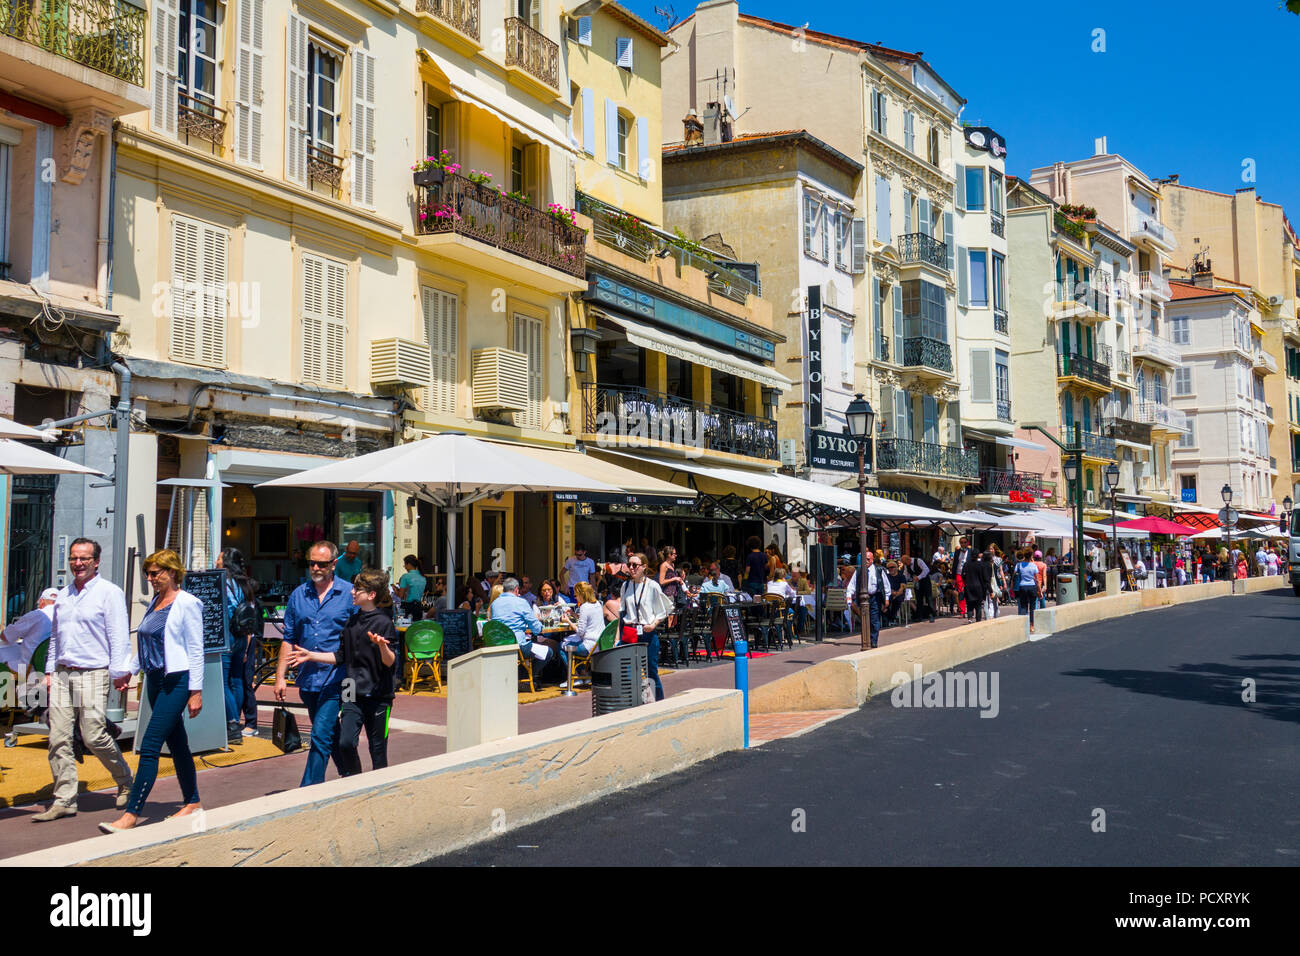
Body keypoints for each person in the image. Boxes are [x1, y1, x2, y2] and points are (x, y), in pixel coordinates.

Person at [99, 550, 205, 832]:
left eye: (155, 573)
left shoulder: (188, 603)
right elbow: (147, 644)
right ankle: (192, 801)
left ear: (171, 572)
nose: (150, 578)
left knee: (149, 745)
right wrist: (129, 670)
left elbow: (196, 651)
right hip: (155, 679)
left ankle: (132, 814)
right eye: (148, 573)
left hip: (177, 680)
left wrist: (196, 691)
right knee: (178, 744)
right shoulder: (155, 602)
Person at [34, 538, 134, 823]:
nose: (78, 563)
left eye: (84, 559)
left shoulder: (108, 593)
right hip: (63, 673)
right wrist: (51, 672)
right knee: (58, 738)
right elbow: (56, 637)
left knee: (93, 736)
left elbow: (118, 636)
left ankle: (125, 780)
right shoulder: (63, 595)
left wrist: (119, 673)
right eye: (74, 558)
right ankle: (65, 798)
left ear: (96, 561)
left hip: (93, 673)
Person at [288, 569, 397, 776]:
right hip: (350, 689)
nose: (352, 592)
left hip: (379, 694)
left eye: (357, 589)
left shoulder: (384, 622)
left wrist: (382, 646)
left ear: (371, 595)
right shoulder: (351, 622)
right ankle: (355, 782)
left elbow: (390, 662)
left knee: (378, 750)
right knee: (345, 742)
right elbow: (340, 656)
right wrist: (311, 655)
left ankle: (381, 788)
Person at [276, 540, 354, 788]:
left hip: (339, 677)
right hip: (308, 678)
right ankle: (351, 772)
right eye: (312, 563)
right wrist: (280, 677)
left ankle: (309, 789)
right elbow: (288, 639)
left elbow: (358, 638)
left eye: (321, 564)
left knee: (320, 734)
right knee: (331, 732)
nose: (316, 568)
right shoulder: (299, 595)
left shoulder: (349, 594)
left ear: (334, 564)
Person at [619, 554, 674, 700]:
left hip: (647, 632)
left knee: (650, 671)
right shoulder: (626, 585)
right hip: (630, 631)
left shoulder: (652, 586)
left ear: (644, 567)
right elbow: (622, 612)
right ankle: (635, 700)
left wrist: (653, 624)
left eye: (635, 565)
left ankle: (658, 702)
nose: (631, 568)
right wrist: (618, 637)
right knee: (628, 669)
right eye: (629, 564)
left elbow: (663, 610)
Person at [218, 548, 259, 739]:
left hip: (228, 635)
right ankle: (237, 719)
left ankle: (233, 722)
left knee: (223, 680)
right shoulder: (243, 583)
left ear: (225, 561)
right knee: (236, 679)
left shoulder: (223, 581)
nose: (217, 561)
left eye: (219, 557)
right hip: (242, 636)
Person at [491, 578, 560, 670]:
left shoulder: (495, 603)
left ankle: (522, 676)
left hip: (498, 646)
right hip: (518, 646)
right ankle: (526, 676)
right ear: (516, 589)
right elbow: (536, 629)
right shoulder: (521, 602)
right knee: (548, 652)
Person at [0, 586, 58, 680]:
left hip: (29, 667)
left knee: (4, 654)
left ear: (42, 601)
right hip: (52, 667)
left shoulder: (38, 615)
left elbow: (6, 636)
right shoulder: (64, 615)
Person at [564, 581, 605, 656]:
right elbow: (590, 618)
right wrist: (573, 614)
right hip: (600, 644)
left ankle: (574, 668)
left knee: (561, 646)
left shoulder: (584, 607)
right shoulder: (598, 603)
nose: (575, 597)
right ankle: (581, 666)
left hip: (589, 646)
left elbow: (580, 632)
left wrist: (568, 621)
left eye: (576, 595)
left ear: (581, 594)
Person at [1013, 549, 1041, 634]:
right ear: (1031, 556)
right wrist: (1039, 591)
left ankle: (1023, 625)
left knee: (1023, 606)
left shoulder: (1019, 565)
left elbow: (1014, 575)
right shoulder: (1033, 566)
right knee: (1032, 607)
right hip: (1032, 586)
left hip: (1022, 586)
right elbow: (1037, 580)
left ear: (1024, 555)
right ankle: (1031, 625)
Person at [963, 550, 993, 623]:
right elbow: (985, 577)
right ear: (977, 556)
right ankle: (978, 620)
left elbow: (962, 575)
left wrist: (967, 579)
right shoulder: (981, 564)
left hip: (968, 586)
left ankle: (970, 618)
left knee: (969, 604)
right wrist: (989, 589)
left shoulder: (966, 564)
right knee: (978, 605)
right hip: (979, 587)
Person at [396, 555, 426, 620]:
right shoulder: (423, 577)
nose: (405, 567)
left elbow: (401, 595)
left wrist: (396, 590)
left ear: (409, 564)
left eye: (405, 565)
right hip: (418, 607)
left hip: (407, 607)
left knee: (404, 628)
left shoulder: (405, 577)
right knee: (415, 628)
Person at [909, 553, 934, 623]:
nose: (906, 565)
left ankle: (931, 615)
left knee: (928, 598)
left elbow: (926, 570)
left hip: (925, 582)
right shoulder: (906, 565)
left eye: (906, 563)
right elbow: (907, 574)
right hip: (917, 584)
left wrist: (919, 577)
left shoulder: (918, 561)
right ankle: (919, 616)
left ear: (909, 560)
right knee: (919, 600)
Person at [952, 537, 973, 618]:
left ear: (967, 543)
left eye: (964, 542)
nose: (963, 544)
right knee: (961, 592)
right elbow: (954, 564)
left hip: (968, 574)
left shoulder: (971, 551)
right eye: (961, 542)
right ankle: (962, 611)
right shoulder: (957, 552)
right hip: (958, 573)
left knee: (968, 592)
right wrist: (953, 577)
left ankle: (970, 610)